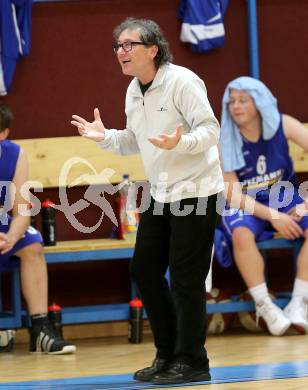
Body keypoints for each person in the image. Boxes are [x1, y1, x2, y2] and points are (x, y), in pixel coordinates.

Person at [71, 17, 223, 385]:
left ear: (152, 49)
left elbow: (210, 130)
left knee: (186, 280)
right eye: (117, 46)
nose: (120, 52)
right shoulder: (134, 90)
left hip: (197, 192)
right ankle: (168, 354)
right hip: (161, 192)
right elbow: (134, 142)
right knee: (144, 270)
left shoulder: (182, 82)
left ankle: (193, 362)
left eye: (128, 45)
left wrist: (180, 143)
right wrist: (104, 136)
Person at [219, 76, 308, 336]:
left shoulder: (284, 124)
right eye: (231, 101)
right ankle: (264, 306)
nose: (235, 106)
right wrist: (275, 217)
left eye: (243, 100)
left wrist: (305, 206)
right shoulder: (224, 139)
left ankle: (299, 302)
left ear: (259, 103)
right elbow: (233, 195)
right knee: (241, 235)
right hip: (247, 201)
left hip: (285, 196)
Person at [0, 103, 76, 354]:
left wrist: (10, 237)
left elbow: (22, 210)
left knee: (32, 242)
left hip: (4, 225)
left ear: (4, 134)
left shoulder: (15, 155)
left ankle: (40, 330)